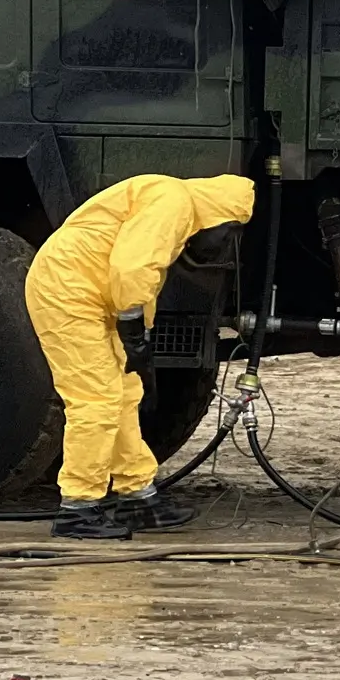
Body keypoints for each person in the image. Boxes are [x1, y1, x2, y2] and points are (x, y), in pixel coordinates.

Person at [26, 174, 256, 540]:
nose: (227, 242)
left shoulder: (176, 209)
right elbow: (132, 268)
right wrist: (133, 332)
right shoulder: (173, 201)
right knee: (95, 399)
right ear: (218, 214)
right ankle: (78, 506)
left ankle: (136, 494)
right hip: (66, 291)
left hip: (91, 292)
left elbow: (143, 276)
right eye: (230, 231)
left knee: (124, 393)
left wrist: (140, 341)